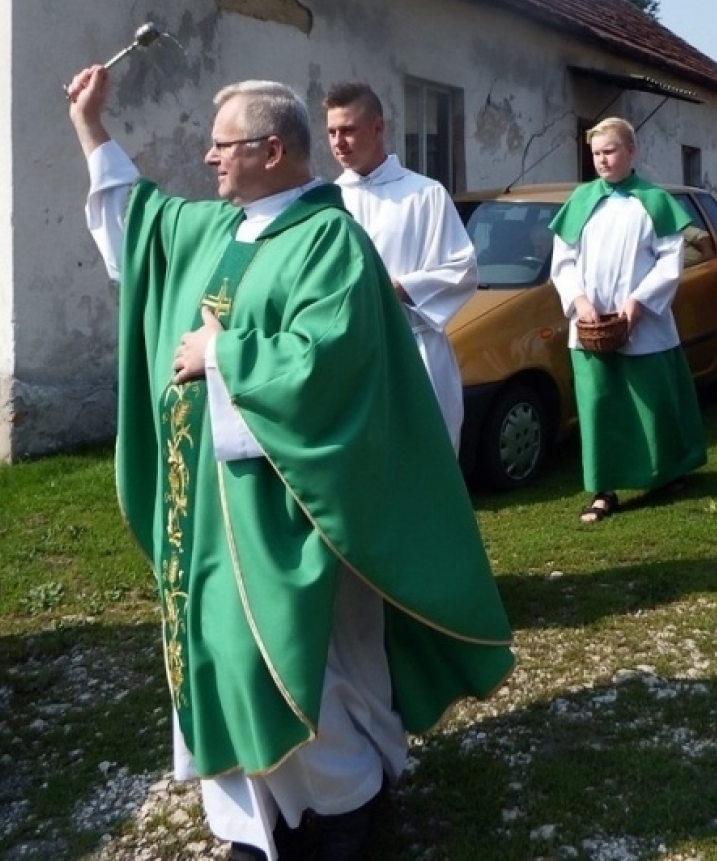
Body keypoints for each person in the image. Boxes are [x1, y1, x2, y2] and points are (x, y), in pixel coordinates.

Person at [65, 65, 515, 861]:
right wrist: (91, 127)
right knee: (221, 648)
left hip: (294, 502)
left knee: (296, 656)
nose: (207, 158)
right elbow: (139, 221)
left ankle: (343, 805)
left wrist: (222, 352)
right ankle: (260, 819)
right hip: (212, 501)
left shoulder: (328, 240)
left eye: (221, 145)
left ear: (270, 150)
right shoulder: (218, 228)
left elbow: (326, 361)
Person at [548, 117, 708, 524]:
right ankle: (603, 489)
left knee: (653, 402)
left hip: (644, 322)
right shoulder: (581, 200)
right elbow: (563, 260)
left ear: (631, 151)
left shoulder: (654, 200)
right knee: (599, 405)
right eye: (596, 153)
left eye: (610, 151)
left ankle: (667, 471)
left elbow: (670, 261)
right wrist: (578, 300)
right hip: (591, 324)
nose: (602, 160)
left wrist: (639, 302)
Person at [324, 81, 477, 452]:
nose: (339, 142)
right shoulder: (328, 201)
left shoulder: (424, 193)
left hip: (415, 349)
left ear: (378, 128)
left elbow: (462, 269)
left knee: (425, 458)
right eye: (331, 132)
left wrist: (397, 288)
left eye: (348, 130)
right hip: (350, 355)